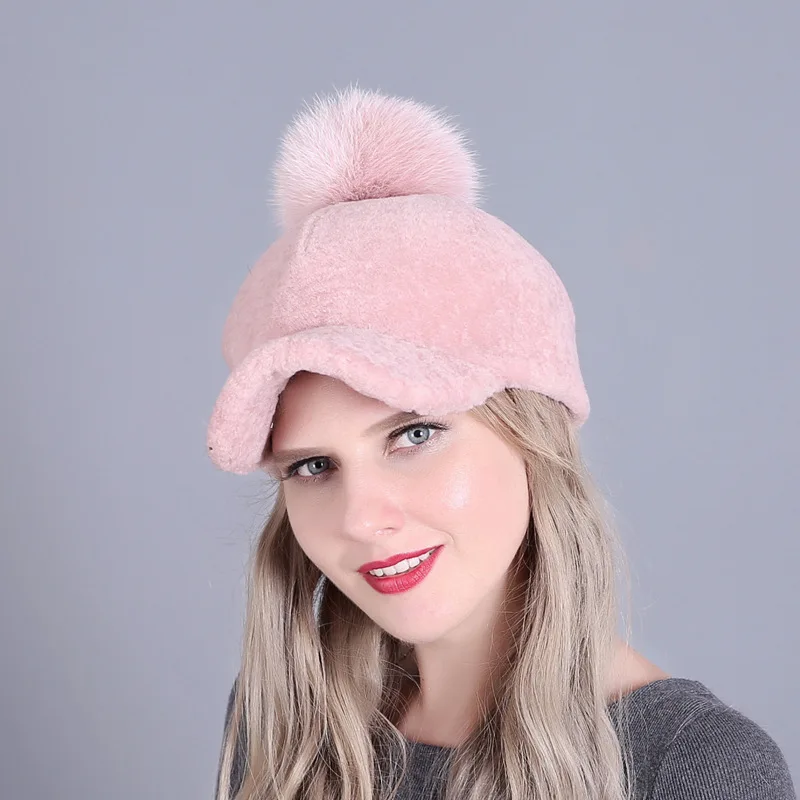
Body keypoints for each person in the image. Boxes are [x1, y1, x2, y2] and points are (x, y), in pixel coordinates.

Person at [206, 87, 795, 800]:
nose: (360, 518)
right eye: (312, 466)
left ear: (533, 434)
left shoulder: (693, 768)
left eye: (413, 433)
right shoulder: (287, 725)